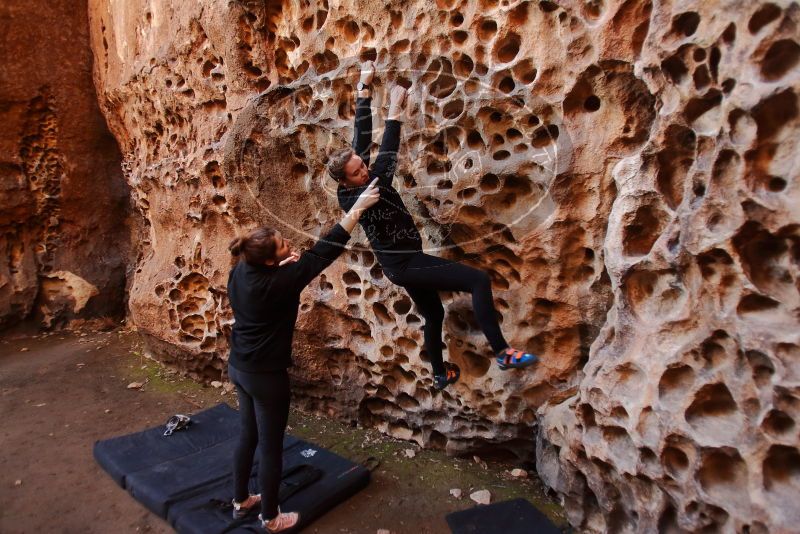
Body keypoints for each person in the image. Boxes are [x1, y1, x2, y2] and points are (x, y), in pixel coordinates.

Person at [328, 62, 539, 391]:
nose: (363, 170)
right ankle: (502, 352)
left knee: (434, 314)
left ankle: (440, 374)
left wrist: (363, 87)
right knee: (478, 279)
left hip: (401, 264)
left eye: (361, 166)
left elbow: (361, 136)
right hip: (407, 264)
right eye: (356, 172)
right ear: (344, 182)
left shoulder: (359, 176)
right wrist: (396, 108)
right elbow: (389, 146)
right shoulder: (369, 188)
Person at [226, 178, 380, 532]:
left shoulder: (240, 271)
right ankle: (270, 517)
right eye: (282, 245)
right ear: (269, 260)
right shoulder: (281, 280)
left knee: (248, 434)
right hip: (266, 376)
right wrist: (356, 210)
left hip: (240, 366)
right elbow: (324, 251)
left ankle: (240, 501)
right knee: (271, 445)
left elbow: (269, 282)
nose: (288, 243)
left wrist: (282, 268)